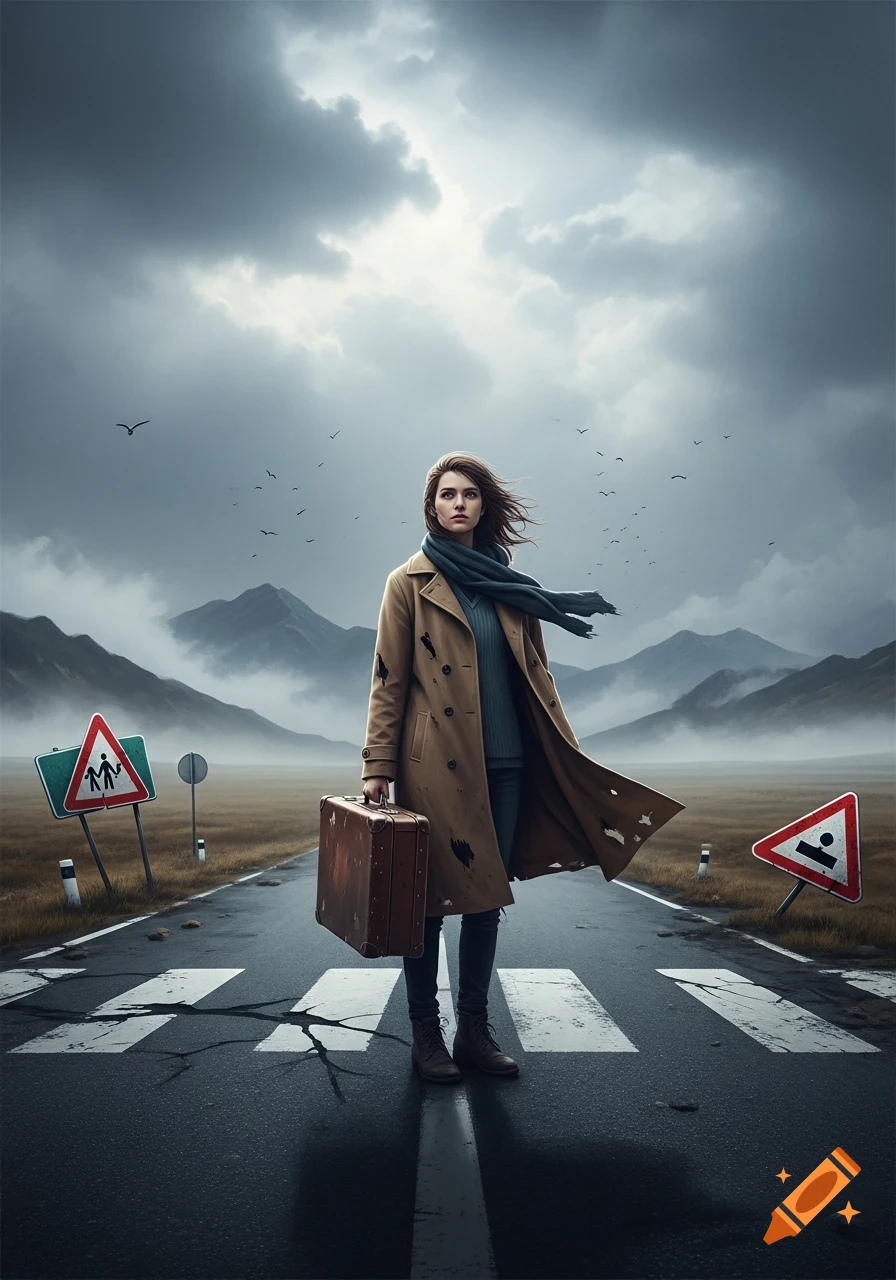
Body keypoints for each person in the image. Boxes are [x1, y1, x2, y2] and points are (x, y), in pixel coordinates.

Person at [362, 453, 620, 1084]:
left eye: (470, 494)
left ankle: (473, 1031)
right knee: (426, 902)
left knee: (486, 899)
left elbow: (536, 672)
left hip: (507, 764)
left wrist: (560, 748)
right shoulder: (408, 583)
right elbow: (389, 680)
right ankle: (426, 1034)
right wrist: (378, 763)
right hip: (435, 768)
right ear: (431, 507)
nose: (459, 504)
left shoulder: (513, 585)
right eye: (447, 494)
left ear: (484, 506)